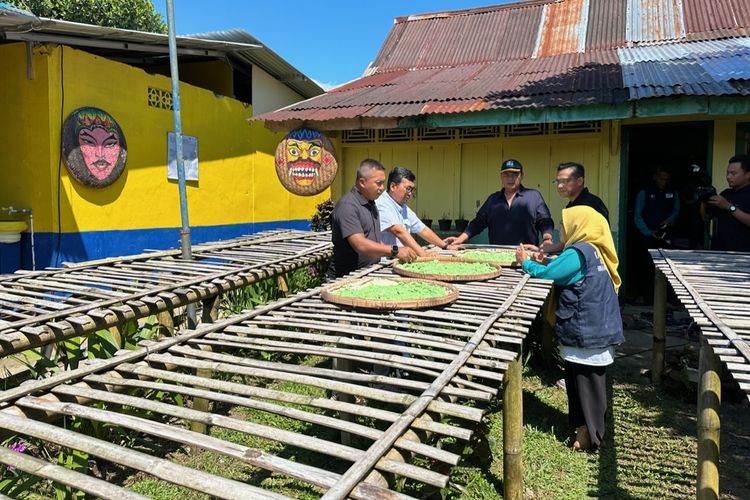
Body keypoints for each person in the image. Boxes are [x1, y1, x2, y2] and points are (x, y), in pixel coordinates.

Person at [516, 206, 623, 451]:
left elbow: (547, 275)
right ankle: (583, 430)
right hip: (593, 328)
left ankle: (590, 438)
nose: (561, 229)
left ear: (579, 225)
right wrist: (548, 262)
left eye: (565, 224)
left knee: (586, 385)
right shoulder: (591, 247)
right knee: (581, 382)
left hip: (586, 329)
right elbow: (561, 268)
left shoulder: (579, 251)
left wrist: (526, 263)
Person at [328, 159, 417, 279]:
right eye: (378, 183)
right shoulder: (348, 206)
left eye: (382, 183)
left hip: (367, 273)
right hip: (345, 277)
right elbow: (360, 244)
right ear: (362, 182)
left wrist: (393, 254)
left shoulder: (371, 204)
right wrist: (394, 250)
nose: (382, 188)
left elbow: (373, 239)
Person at [447, 159, 554, 246]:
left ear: (522, 176)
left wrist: (547, 239)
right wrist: (460, 239)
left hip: (527, 255)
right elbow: (478, 222)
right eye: (506, 175)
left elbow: (545, 221)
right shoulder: (493, 200)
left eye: (515, 174)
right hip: (498, 254)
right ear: (501, 177)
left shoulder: (533, 196)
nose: (510, 178)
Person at [376, 167, 462, 255]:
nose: (410, 193)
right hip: (384, 261)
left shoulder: (403, 207)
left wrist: (446, 246)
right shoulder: (382, 204)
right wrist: (424, 254)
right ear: (393, 186)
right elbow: (399, 232)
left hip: (401, 257)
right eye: (408, 189)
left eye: (412, 190)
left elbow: (422, 229)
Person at [541, 162, 609, 254]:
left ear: (580, 181)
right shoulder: (572, 205)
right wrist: (541, 249)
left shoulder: (591, 205)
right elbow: (568, 242)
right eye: (557, 181)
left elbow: (591, 245)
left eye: (564, 181)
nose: (559, 186)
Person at [706, 154, 750, 251]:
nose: (728, 177)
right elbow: (707, 218)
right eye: (727, 173)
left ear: (747, 174)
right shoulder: (725, 193)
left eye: (733, 174)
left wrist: (729, 206)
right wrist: (704, 199)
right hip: (719, 253)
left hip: (743, 255)